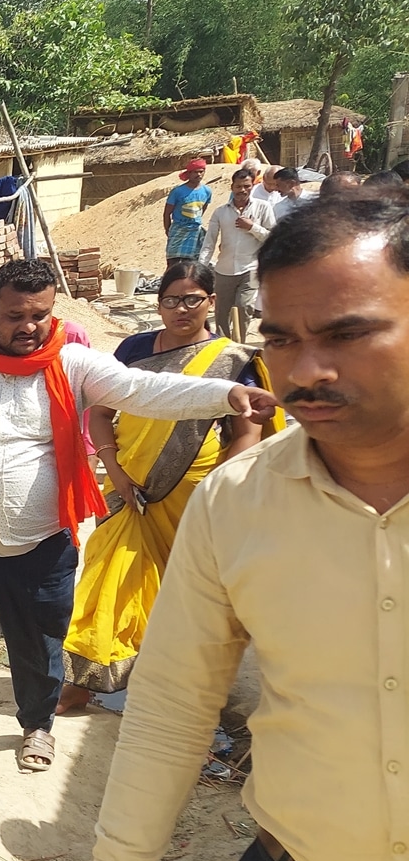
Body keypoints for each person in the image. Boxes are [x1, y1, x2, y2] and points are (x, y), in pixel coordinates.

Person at [66, 192, 409, 861]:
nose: (307, 370)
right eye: (283, 340)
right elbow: (173, 707)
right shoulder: (240, 505)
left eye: (346, 333)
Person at [0, 259, 278, 798]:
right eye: (15, 315)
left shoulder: (73, 362)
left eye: (40, 314)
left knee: (39, 644)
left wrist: (223, 396)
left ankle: (37, 726)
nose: (29, 326)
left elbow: (144, 390)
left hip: (40, 540)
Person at [59, 260, 264, 713]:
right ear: (158, 304)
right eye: (171, 300)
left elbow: (248, 432)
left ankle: (177, 684)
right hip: (126, 482)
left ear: (211, 301)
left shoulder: (232, 359)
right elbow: (99, 410)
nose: (181, 309)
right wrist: (113, 467)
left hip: (194, 490)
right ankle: (86, 679)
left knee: (184, 589)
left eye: (192, 299)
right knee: (107, 575)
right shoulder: (133, 347)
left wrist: (220, 489)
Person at [200, 165, 277, 342]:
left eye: (247, 186)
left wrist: (252, 227)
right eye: (238, 186)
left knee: (244, 308)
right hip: (224, 270)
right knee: (221, 313)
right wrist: (201, 268)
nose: (242, 190)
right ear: (232, 187)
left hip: (250, 268)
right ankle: (222, 347)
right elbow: (209, 242)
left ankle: (239, 347)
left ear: (252, 186)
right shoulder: (221, 212)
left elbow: (273, 238)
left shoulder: (263, 208)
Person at [163, 158, 214, 263]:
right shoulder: (177, 191)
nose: (199, 174)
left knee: (192, 263)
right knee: (173, 262)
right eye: (196, 172)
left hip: (195, 231)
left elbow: (202, 209)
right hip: (178, 230)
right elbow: (167, 213)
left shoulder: (207, 191)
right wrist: (168, 230)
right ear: (189, 173)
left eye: (201, 171)